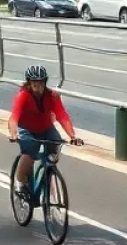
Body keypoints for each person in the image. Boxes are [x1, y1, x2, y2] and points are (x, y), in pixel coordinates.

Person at [8, 64, 83, 196]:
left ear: (45, 82)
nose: (38, 85)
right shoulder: (23, 96)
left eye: (41, 82)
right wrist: (14, 134)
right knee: (28, 155)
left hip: (46, 128)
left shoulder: (52, 96)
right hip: (27, 130)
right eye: (34, 82)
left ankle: (48, 172)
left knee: (55, 148)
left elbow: (62, 115)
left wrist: (72, 136)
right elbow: (14, 118)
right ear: (29, 82)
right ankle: (20, 184)